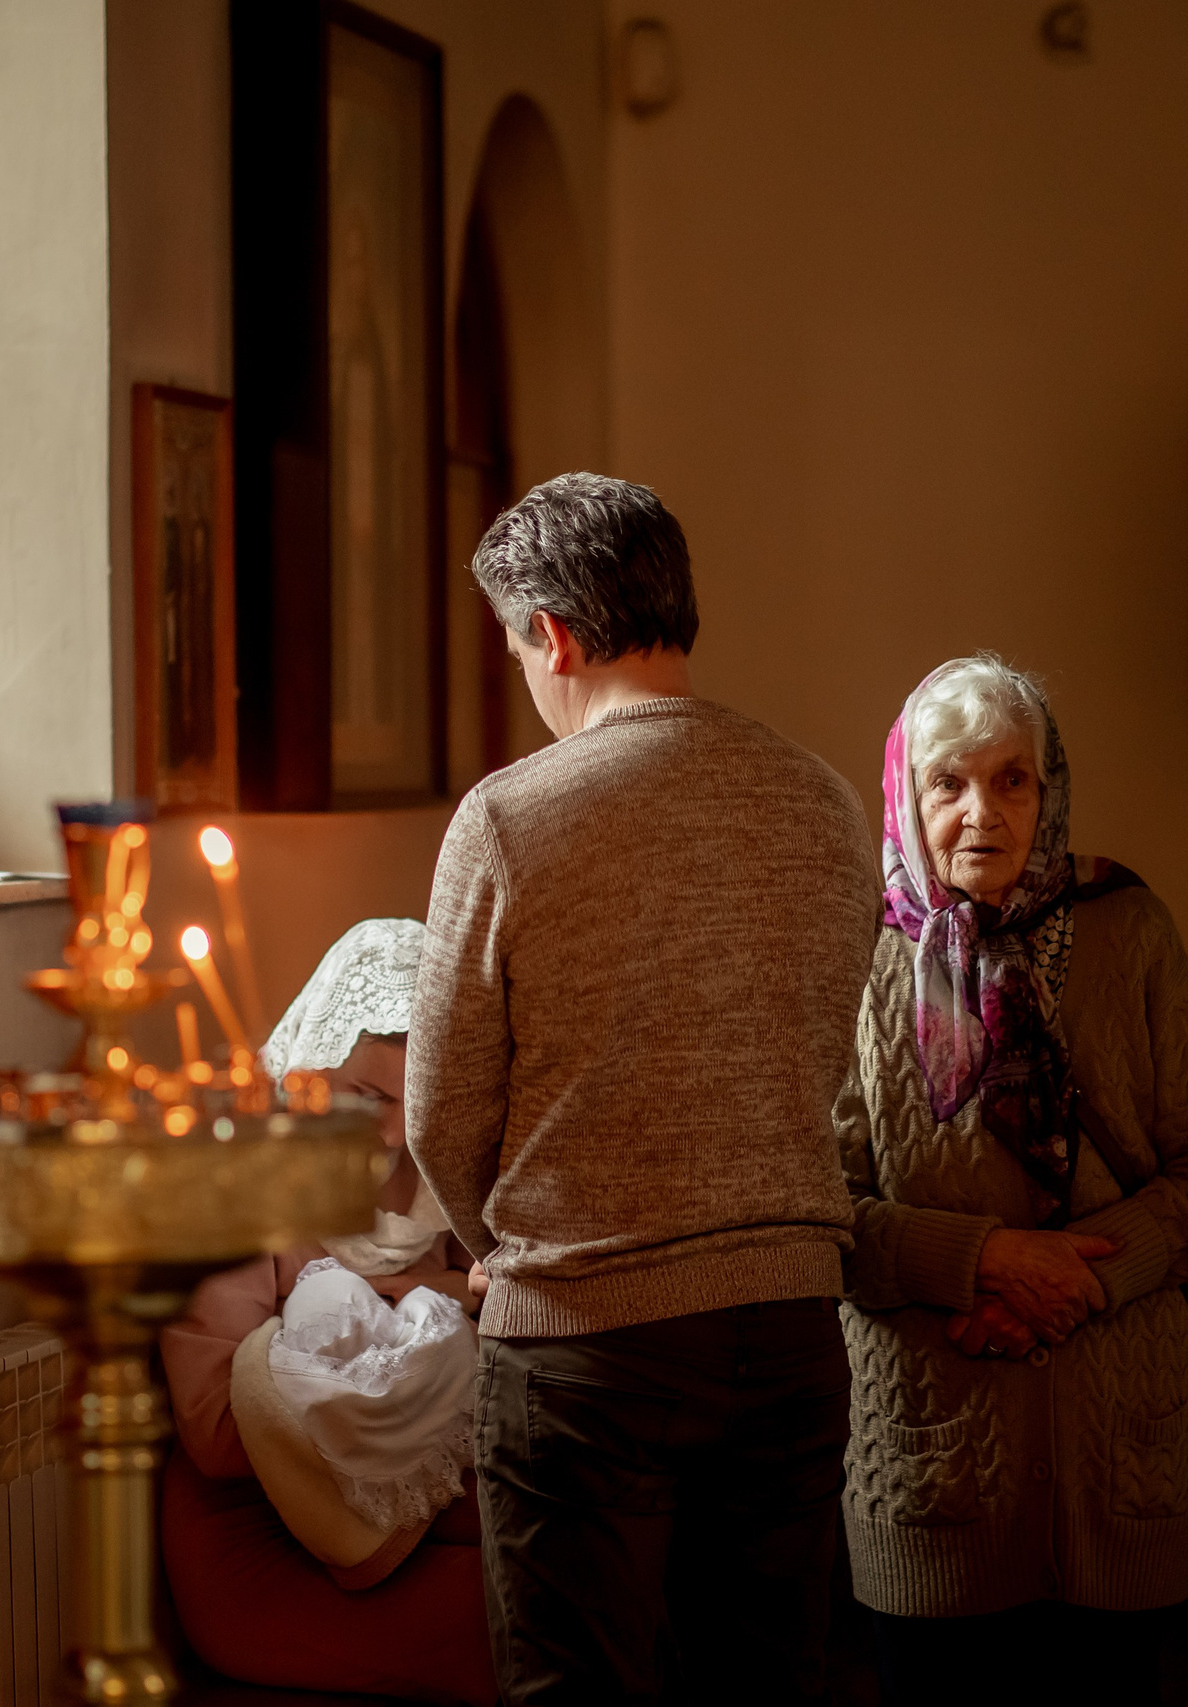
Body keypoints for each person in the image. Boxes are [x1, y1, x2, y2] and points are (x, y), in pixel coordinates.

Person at [406, 473, 881, 1704]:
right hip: (786, 1325)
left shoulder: (509, 818)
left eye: (516, 644)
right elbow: (821, 1059)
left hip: (584, 1342)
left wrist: (500, 1247)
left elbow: (440, 1110)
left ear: (550, 633)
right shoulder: (824, 803)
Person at [835, 654, 1188, 1705]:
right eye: (947, 781)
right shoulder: (854, 952)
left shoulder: (1128, 931)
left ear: (1049, 790)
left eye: (1011, 779)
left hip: (1121, 1464)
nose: (979, 812)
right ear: (905, 792)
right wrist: (977, 1262)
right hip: (932, 1468)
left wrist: (1084, 1275)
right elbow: (810, 1204)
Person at [158, 920, 494, 1707]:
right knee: (516, 1625)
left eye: (412, 1103)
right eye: (365, 1094)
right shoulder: (246, 1191)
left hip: (422, 1509)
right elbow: (212, 1422)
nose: (388, 1130)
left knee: (592, 1575)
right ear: (309, 1076)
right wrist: (430, 1317)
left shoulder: (440, 1187)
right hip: (264, 1531)